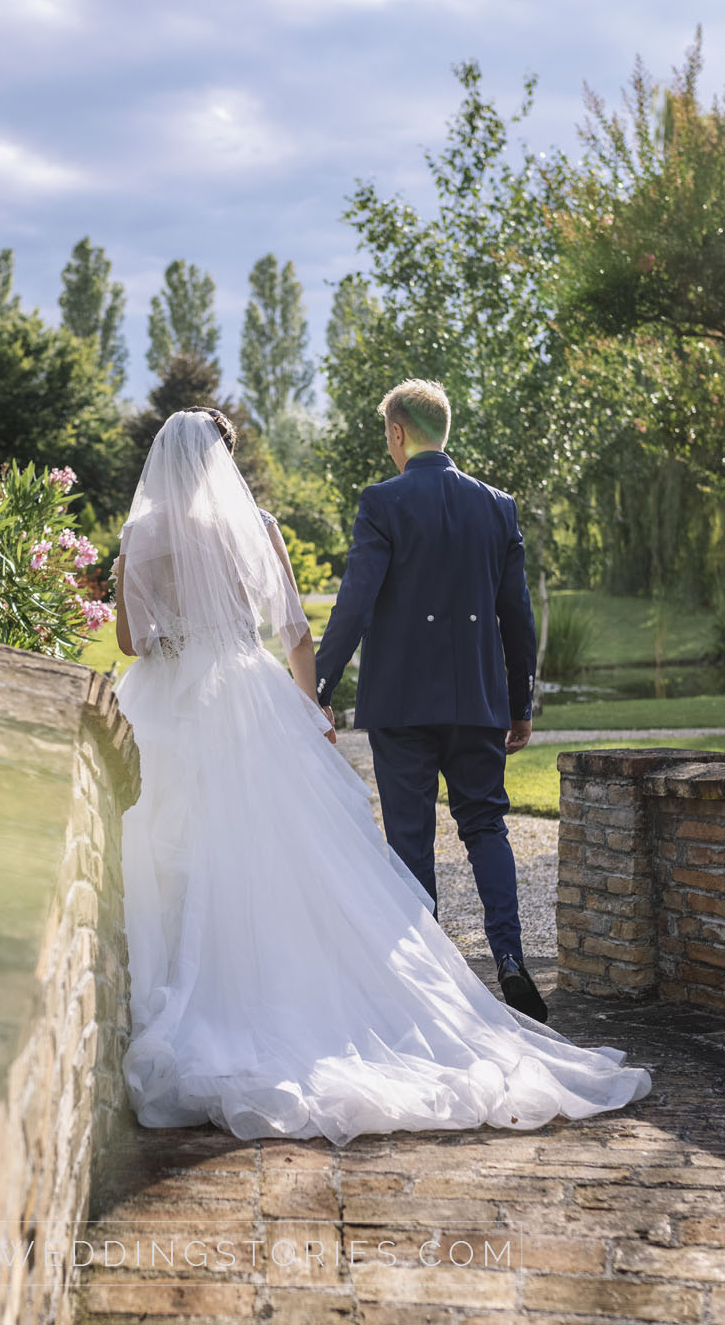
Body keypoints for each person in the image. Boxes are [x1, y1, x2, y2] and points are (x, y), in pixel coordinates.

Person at [108, 403, 649, 1146]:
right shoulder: (259, 528)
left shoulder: (144, 535)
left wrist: (136, 590)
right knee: (301, 853)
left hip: (176, 700)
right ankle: (444, 969)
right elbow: (297, 633)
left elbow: (134, 640)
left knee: (181, 847)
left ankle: (194, 986)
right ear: (223, 464)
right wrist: (310, 711)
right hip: (256, 694)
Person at [312, 378, 547, 1022]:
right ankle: (510, 959)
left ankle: (433, 987)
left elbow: (354, 606)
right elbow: (516, 618)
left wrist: (318, 690)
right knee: (485, 825)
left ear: (397, 432)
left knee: (410, 839)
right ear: (444, 430)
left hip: (402, 707)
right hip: (478, 702)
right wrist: (520, 703)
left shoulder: (382, 503)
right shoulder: (497, 507)